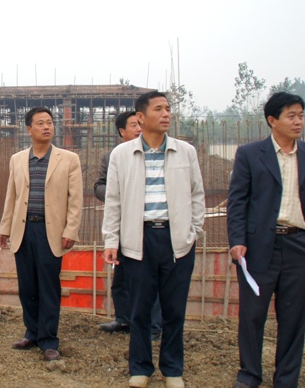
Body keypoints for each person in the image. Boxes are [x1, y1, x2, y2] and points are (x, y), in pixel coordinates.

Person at [102, 91, 205, 388]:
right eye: (158, 109)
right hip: (138, 239)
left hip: (177, 240)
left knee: (174, 309)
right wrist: (111, 240)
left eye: (168, 108)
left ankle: (172, 369)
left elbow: (197, 195)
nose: (166, 114)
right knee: (140, 309)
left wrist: (193, 231)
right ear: (140, 117)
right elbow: (113, 201)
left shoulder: (185, 152)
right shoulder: (122, 155)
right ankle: (140, 367)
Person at [227, 92, 305, 388]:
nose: (298, 122)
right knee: (252, 316)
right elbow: (238, 201)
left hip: (300, 247)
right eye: (291, 116)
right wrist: (237, 240)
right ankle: (249, 375)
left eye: (301, 115)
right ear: (272, 120)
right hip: (258, 248)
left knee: (295, 318)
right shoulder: (250, 154)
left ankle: (286, 379)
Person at [0, 106, 83, 362]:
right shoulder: (17, 159)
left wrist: (71, 229)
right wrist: (4, 228)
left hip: (50, 232)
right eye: (40, 123)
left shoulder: (68, 159)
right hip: (23, 230)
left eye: (49, 122)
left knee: (48, 286)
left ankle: (48, 339)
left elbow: (75, 200)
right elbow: (11, 196)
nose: (46, 127)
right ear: (29, 129)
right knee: (27, 286)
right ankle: (32, 332)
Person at [95, 111, 162, 340]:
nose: (138, 128)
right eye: (133, 125)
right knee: (121, 276)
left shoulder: (155, 154)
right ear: (122, 131)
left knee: (150, 278)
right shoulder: (112, 157)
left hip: (149, 225)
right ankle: (123, 318)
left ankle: (153, 326)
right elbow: (99, 186)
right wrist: (117, 193)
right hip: (123, 225)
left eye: (140, 123)